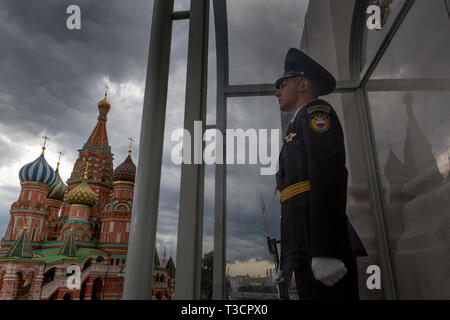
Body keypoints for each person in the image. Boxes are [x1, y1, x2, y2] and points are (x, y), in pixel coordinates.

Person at [273, 48, 366, 300]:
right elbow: (291, 200)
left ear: (302, 83)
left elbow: (327, 178)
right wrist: (286, 258)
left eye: (283, 84)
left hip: (321, 249)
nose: (277, 91)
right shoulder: (295, 128)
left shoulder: (317, 114)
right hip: (304, 249)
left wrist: (327, 250)